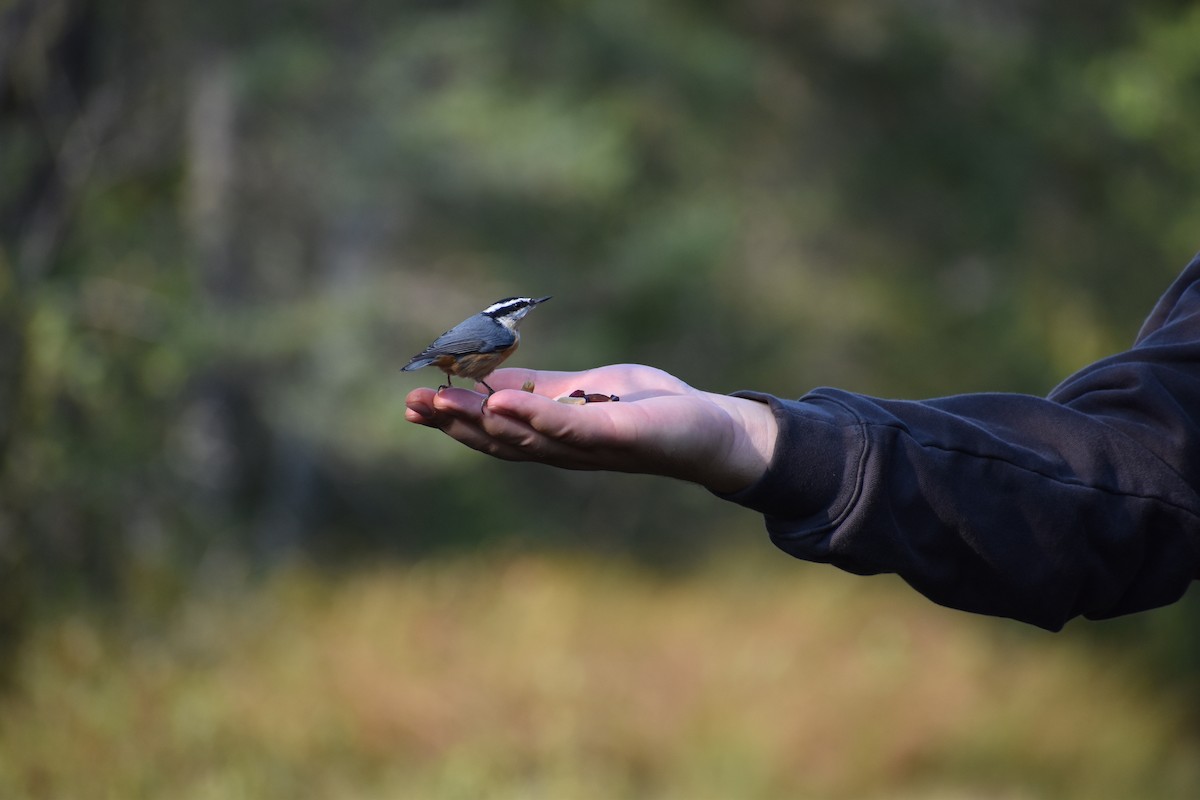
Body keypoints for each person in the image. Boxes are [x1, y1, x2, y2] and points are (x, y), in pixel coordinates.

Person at [405, 254, 1200, 630]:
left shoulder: (493, 339)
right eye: (518, 312)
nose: (521, 319)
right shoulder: (483, 341)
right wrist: (765, 438)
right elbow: (1132, 476)